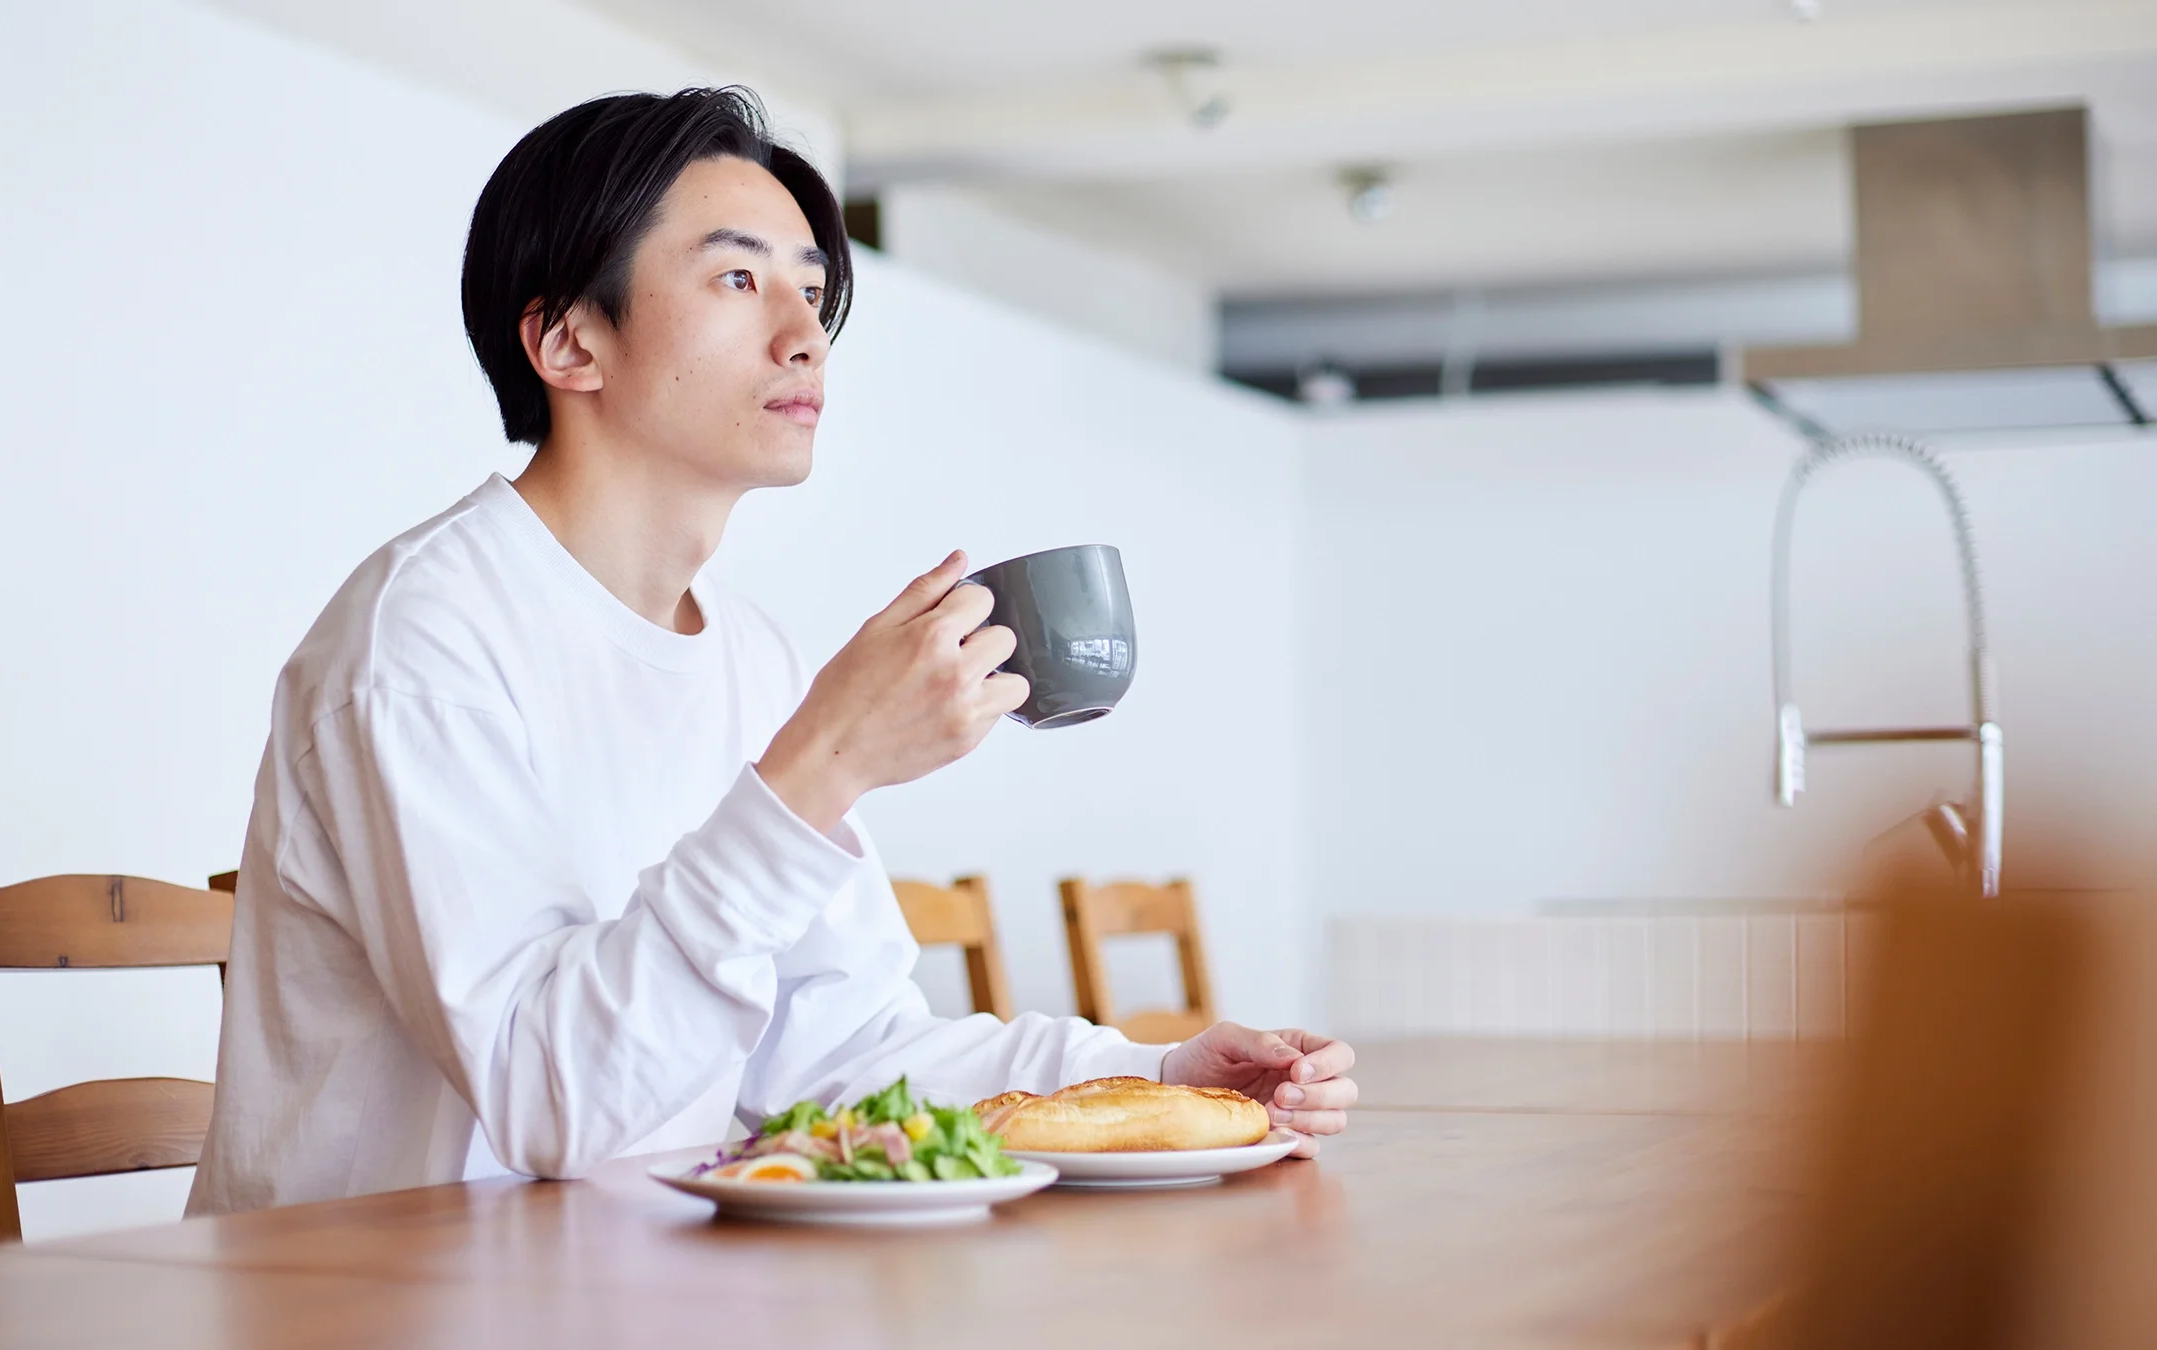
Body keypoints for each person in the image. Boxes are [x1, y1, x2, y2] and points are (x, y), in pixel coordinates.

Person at [188, 88, 1358, 1213]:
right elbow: (555, 1109)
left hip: (632, 1289)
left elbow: (843, 1051)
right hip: (381, 1300)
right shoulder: (424, 639)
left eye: (812, 290)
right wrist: (821, 768)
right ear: (567, 342)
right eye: (739, 279)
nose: (805, 335)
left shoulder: (745, 652)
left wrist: (1150, 1083)